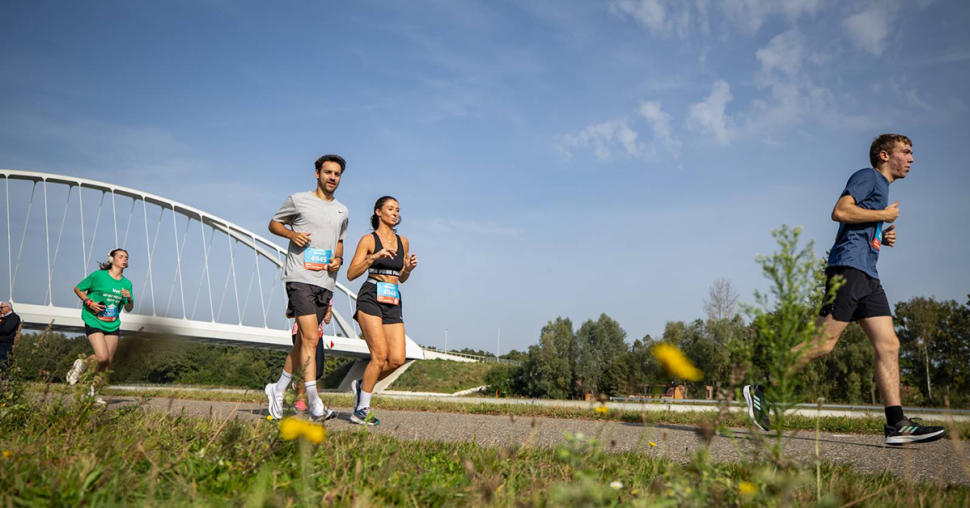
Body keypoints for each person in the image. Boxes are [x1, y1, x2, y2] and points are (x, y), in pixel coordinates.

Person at [743, 134, 946, 445]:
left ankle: (896, 424)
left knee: (889, 345)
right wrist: (883, 216)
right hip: (849, 270)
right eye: (906, 151)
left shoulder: (882, 188)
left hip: (868, 274)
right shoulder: (869, 177)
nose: (911, 158)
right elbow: (840, 211)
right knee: (823, 344)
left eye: (911, 153)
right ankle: (762, 390)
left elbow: (858, 224)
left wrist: (881, 235)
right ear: (883, 155)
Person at [264, 154, 348, 421]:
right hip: (299, 277)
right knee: (311, 338)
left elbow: (339, 242)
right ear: (317, 173)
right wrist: (291, 234)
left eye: (337, 174)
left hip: (325, 282)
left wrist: (338, 259)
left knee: (302, 344)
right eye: (328, 172)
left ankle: (276, 390)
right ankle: (314, 404)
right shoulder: (298, 200)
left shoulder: (342, 211)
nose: (332, 177)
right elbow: (273, 223)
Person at [346, 196, 417, 425]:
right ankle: (362, 409)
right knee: (379, 355)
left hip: (393, 298)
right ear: (379, 212)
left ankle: (361, 385)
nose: (395, 213)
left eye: (397, 210)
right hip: (371, 296)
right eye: (390, 209)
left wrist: (408, 269)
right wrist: (373, 258)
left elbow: (402, 278)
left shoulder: (403, 242)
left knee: (396, 359)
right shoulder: (369, 239)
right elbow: (351, 273)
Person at [65, 249, 134, 405]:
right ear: (112, 259)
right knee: (102, 356)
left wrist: (129, 297)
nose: (124, 259)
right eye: (121, 257)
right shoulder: (98, 276)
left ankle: (92, 393)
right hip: (94, 320)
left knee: (107, 362)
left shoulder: (127, 283)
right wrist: (89, 302)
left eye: (126, 258)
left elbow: (129, 308)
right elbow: (78, 288)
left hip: (113, 324)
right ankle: (81, 363)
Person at [287, 301, 330, 412]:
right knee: (307, 367)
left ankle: (299, 386)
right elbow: (289, 313)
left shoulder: (326, 290)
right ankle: (301, 399)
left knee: (318, 371)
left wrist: (329, 312)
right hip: (301, 332)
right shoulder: (304, 289)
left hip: (318, 333)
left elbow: (328, 302)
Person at [0, 301, 22, 371]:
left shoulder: (13, 317)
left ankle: (5, 380)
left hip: (5, 346)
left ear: (8, 307)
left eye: (1, 307)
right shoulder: (4, 318)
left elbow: (6, 329)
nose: (0, 309)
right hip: (2, 345)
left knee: (4, 366)